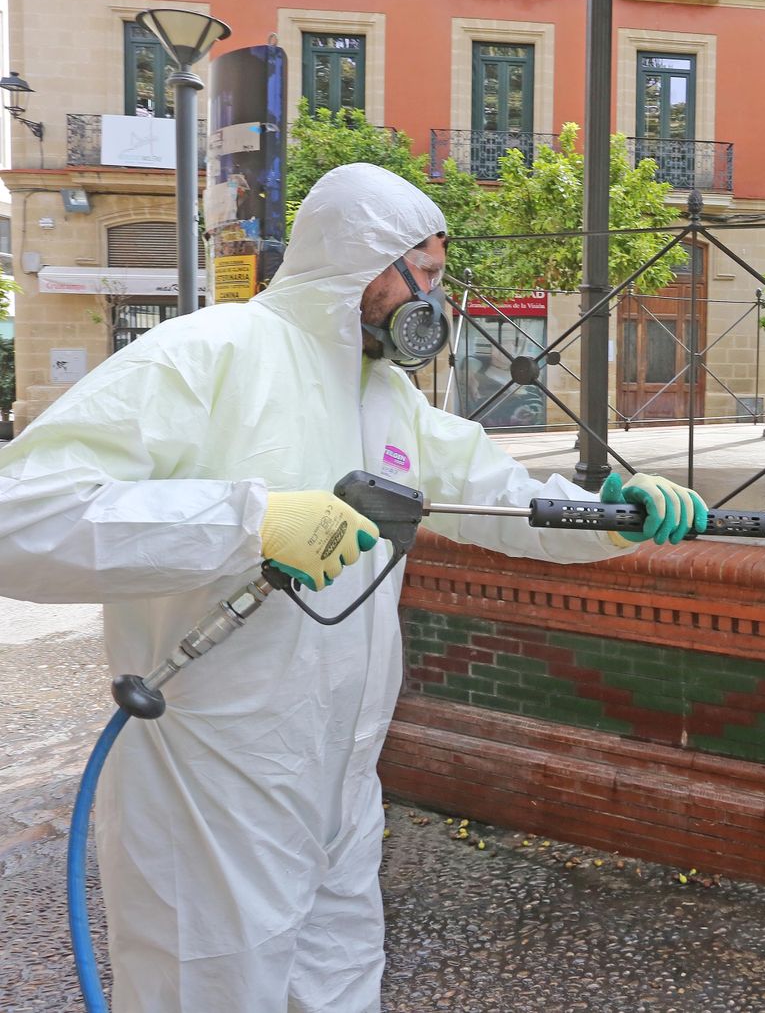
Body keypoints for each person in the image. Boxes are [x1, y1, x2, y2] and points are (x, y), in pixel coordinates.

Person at [0, 163, 706, 1011]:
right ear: (367, 260)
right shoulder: (210, 352)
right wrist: (247, 523)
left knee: (337, 978)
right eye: (430, 277)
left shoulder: (385, 397)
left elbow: (495, 495)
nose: (437, 303)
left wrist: (610, 518)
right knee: (217, 983)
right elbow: (24, 519)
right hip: (212, 773)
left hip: (341, 765)